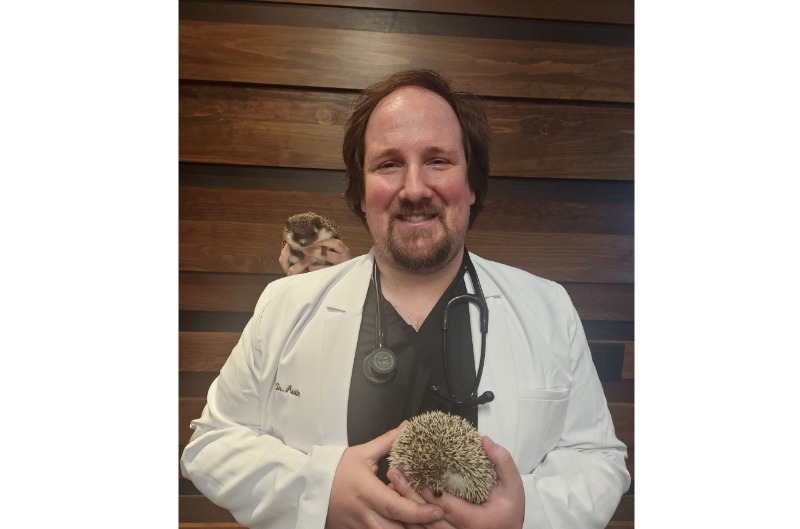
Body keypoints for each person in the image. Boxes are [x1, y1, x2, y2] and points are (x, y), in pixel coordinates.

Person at [180, 69, 631, 529]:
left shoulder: (548, 308)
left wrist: (525, 517)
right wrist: (317, 491)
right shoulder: (285, 305)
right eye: (388, 164)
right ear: (360, 192)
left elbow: (597, 459)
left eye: (438, 160)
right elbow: (213, 443)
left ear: (472, 185)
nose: (414, 189)